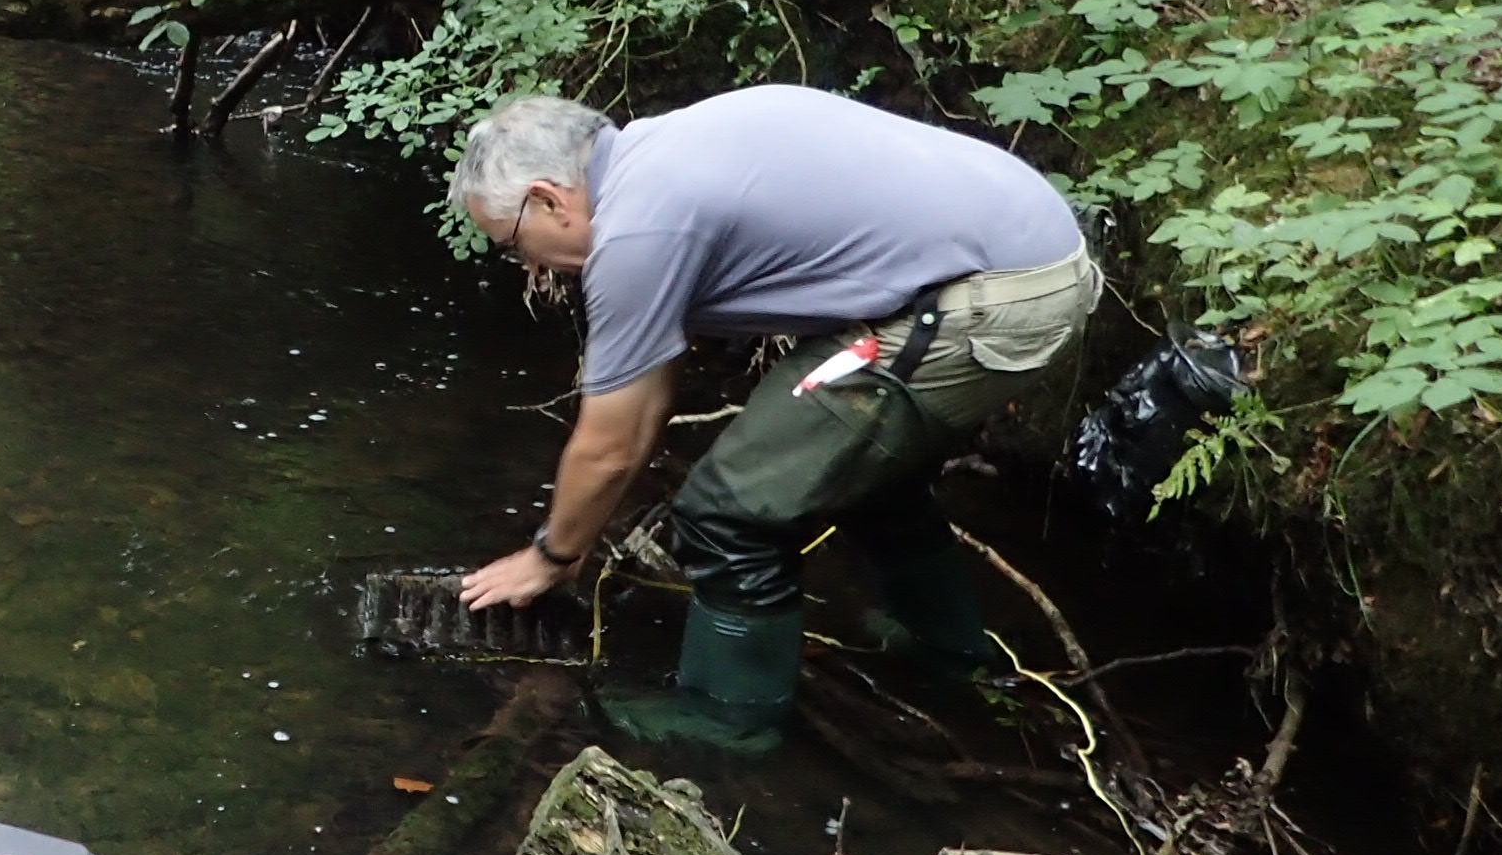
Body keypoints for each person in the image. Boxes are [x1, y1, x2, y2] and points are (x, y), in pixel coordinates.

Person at [449, 84, 1097, 743]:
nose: (528, 265)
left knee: (730, 509)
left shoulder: (640, 228)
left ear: (548, 199)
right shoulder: (664, 153)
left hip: (996, 297)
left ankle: (729, 725)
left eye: (512, 243)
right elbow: (646, 403)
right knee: (859, 466)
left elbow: (610, 445)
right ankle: (951, 658)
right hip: (1028, 251)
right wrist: (581, 532)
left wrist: (552, 554)